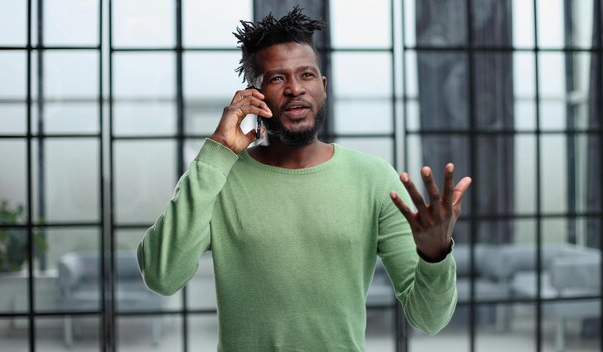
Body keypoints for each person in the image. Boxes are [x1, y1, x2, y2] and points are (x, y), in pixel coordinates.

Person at [137, 6, 472, 351]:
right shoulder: (219, 178)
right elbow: (163, 276)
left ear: (322, 86)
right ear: (253, 95)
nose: (295, 89)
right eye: (278, 78)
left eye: (307, 75)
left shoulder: (372, 177)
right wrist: (217, 150)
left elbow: (429, 319)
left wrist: (435, 255)